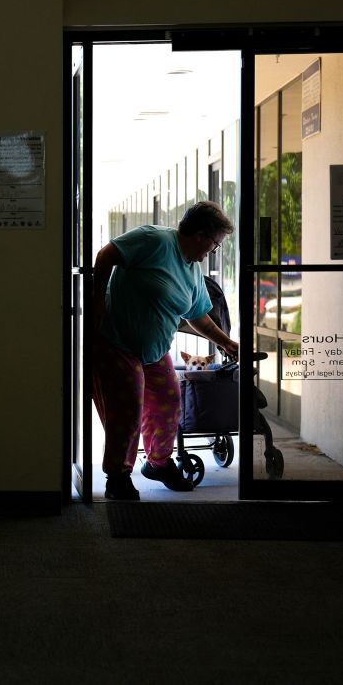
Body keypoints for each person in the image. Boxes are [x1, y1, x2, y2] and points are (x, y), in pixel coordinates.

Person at [92, 201, 239, 501]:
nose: (213, 251)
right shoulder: (155, 240)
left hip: (154, 351)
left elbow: (198, 315)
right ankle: (117, 477)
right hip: (118, 343)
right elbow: (105, 255)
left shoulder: (192, 271)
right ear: (200, 235)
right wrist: (96, 301)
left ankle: (157, 464)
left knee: (169, 400)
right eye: (214, 244)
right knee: (128, 409)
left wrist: (226, 342)